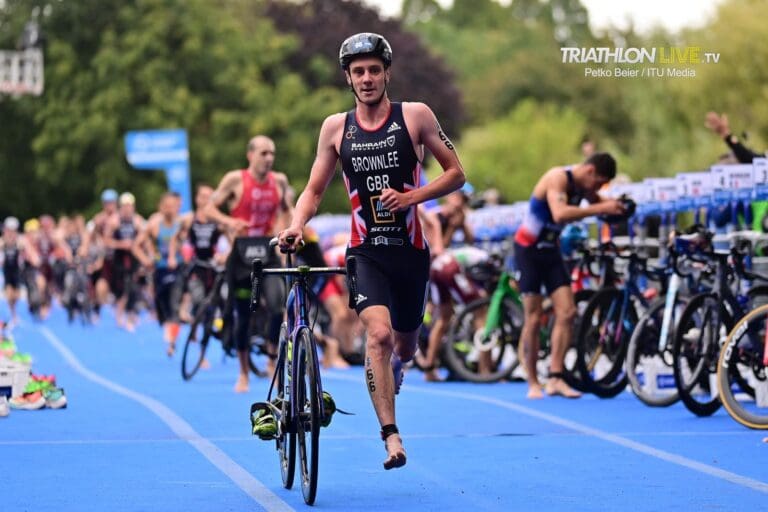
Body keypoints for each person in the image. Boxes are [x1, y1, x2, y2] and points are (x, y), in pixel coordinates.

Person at [277, 32, 465, 470]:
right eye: (358, 72)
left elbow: (457, 174)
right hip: (366, 252)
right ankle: (391, 435)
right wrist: (295, 224)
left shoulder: (415, 116)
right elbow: (314, 189)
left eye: (374, 70)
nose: (366, 79)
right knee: (377, 336)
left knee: (405, 344)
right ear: (348, 77)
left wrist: (412, 198)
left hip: (411, 253)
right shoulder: (335, 128)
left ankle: (399, 366)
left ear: (387, 73)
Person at [513, 153, 625, 399]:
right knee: (534, 317)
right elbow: (560, 214)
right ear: (589, 171)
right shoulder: (558, 178)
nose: (597, 189)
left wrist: (617, 209)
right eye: (598, 182)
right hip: (528, 251)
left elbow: (602, 206)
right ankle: (533, 381)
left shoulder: (586, 187)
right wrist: (603, 207)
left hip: (551, 252)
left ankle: (555, 377)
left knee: (567, 312)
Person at [205, 135, 292, 393]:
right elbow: (209, 209)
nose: (269, 159)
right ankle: (243, 373)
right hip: (241, 256)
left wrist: (284, 228)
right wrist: (229, 222)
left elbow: (289, 208)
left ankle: (271, 360)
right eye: (264, 153)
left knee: (278, 305)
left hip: (268, 251)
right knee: (242, 314)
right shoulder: (235, 179)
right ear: (250, 155)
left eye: (272, 154)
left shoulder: (280, 181)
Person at [134, 192, 184, 356]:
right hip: (159, 270)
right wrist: (146, 260)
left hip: (177, 270)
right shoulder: (154, 225)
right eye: (167, 206)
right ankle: (169, 331)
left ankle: (172, 342)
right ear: (161, 208)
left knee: (175, 306)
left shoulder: (181, 224)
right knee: (163, 308)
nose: (170, 210)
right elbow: (135, 245)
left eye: (173, 206)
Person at [105, 192, 144, 331]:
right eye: (125, 206)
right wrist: (122, 244)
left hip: (133, 258)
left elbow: (143, 239)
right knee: (121, 289)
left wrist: (138, 249)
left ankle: (130, 314)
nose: (127, 209)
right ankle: (120, 314)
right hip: (119, 259)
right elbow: (107, 241)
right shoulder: (114, 221)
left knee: (133, 287)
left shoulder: (138, 221)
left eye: (130, 206)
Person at [1, 217, 41, 325]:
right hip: (7, 272)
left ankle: (14, 310)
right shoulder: (2, 242)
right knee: (9, 294)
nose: (10, 233)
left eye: (13, 230)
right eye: (9, 230)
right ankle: (13, 313)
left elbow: (29, 251)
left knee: (17, 296)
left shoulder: (20, 241)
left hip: (17, 271)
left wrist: (34, 259)